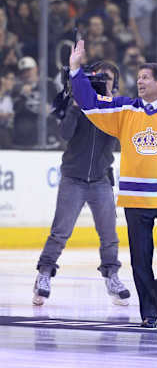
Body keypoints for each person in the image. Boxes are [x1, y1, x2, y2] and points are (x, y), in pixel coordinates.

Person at [69, 40, 157, 328]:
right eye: (139, 78)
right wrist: (75, 71)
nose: (139, 82)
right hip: (135, 200)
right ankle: (149, 313)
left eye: (146, 78)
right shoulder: (124, 110)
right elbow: (91, 103)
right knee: (140, 260)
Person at [33, 61, 130, 306]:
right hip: (73, 178)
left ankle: (112, 275)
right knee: (60, 232)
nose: (102, 83)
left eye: (107, 79)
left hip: (100, 179)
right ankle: (44, 274)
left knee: (109, 233)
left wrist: (108, 102)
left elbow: (121, 135)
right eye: (98, 78)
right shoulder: (76, 103)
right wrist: (77, 105)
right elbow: (64, 134)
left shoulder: (116, 109)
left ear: (115, 84)